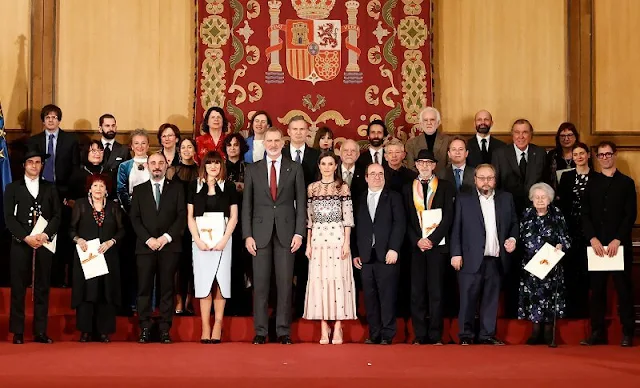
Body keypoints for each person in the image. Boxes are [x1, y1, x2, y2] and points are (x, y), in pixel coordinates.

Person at [242, 127, 306, 345]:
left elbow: (301, 203)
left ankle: (282, 331)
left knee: (285, 285)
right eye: (269, 140)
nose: (273, 144)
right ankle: (260, 331)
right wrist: (247, 235)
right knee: (259, 285)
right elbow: (247, 205)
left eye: (277, 140)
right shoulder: (252, 169)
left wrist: (299, 232)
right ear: (264, 143)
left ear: (283, 142)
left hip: (287, 234)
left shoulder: (295, 168)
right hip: (259, 234)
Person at [451, 164, 518, 345]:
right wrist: (455, 253)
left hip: (495, 259)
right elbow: (456, 228)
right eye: (482, 178)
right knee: (467, 299)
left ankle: (487, 335)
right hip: (469, 258)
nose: (486, 182)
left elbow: (513, 223)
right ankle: (465, 335)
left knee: (491, 299)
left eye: (489, 178)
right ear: (475, 180)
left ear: (495, 180)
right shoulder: (464, 200)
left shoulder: (506, 198)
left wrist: (512, 238)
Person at [581, 141, 636, 347]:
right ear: (596, 158)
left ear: (615, 155)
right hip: (596, 246)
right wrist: (592, 239)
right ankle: (597, 332)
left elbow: (630, 215)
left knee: (624, 290)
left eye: (608, 154)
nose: (605, 158)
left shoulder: (627, 183)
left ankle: (628, 332)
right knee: (597, 291)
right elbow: (584, 215)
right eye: (601, 155)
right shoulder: (591, 183)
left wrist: (617, 239)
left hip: (618, 245)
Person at [4, 148, 61, 344]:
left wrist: (45, 235)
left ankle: (40, 331)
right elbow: (9, 218)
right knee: (19, 288)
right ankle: (18, 331)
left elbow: (57, 215)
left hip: (44, 244)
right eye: (30, 162)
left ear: (41, 165)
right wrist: (25, 237)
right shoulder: (13, 188)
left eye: (37, 162)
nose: (34, 166)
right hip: (21, 244)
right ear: (24, 165)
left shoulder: (50, 187)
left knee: (42, 287)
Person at [491, 118, 546, 318]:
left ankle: (534, 312)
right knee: (510, 263)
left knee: (533, 264)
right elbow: (494, 185)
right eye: (517, 132)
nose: (521, 136)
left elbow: (547, 185)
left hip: (535, 218)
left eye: (525, 132)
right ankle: (511, 311)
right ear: (511, 134)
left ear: (531, 134)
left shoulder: (540, 153)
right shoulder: (500, 154)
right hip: (507, 216)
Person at [130, 153, 186, 344]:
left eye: (160, 163)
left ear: (167, 165)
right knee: (144, 288)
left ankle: (164, 329)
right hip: (145, 247)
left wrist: (165, 237)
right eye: (153, 163)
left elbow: (181, 216)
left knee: (167, 289)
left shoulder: (177, 189)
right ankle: (144, 327)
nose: (157, 166)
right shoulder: (138, 190)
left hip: (169, 246)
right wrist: (148, 239)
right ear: (147, 165)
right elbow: (134, 219)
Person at [303, 152, 356, 344]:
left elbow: (348, 218)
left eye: (330, 164)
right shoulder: (312, 188)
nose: (326, 167)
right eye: (323, 163)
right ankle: (324, 327)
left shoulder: (343, 187)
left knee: (338, 282)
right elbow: (309, 219)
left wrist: (347, 243)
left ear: (336, 166)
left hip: (337, 238)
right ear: (319, 166)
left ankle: (339, 327)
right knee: (320, 283)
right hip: (318, 239)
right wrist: (308, 243)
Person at [403, 149, 455, 345]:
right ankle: (419, 335)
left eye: (428, 163)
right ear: (415, 165)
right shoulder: (408, 188)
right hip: (416, 248)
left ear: (434, 165)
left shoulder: (446, 187)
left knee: (436, 292)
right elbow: (405, 219)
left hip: (437, 247)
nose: (424, 166)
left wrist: (431, 239)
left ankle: (435, 335)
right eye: (421, 162)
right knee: (417, 293)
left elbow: (449, 217)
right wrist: (417, 239)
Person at [188, 151, 238, 343]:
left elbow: (233, 216)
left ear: (221, 166)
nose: (213, 167)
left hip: (223, 239)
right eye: (210, 163)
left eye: (217, 163)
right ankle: (205, 326)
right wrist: (198, 239)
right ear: (204, 166)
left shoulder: (229, 186)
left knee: (220, 281)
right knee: (204, 282)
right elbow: (190, 216)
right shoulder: (194, 185)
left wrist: (225, 239)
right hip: (200, 241)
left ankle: (218, 324)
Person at [352, 163, 405, 344]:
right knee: (370, 298)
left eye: (380, 173)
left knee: (387, 297)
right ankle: (374, 334)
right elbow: (356, 227)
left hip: (387, 255)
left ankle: (387, 334)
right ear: (366, 177)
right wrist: (356, 253)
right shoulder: (359, 198)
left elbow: (400, 224)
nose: (376, 177)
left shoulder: (394, 197)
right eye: (372, 173)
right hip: (366, 257)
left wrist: (394, 249)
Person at [27, 104, 80, 287]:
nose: (51, 120)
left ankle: (59, 279)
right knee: (41, 233)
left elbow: (75, 168)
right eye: (48, 117)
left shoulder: (70, 140)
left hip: (63, 194)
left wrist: (70, 195)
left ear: (59, 120)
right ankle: (40, 278)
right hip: (40, 193)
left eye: (54, 117)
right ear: (43, 120)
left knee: (61, 236)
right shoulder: (34, 141)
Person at [70, 174, 124, 343]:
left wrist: (111, 241)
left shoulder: (114, 207)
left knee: (105, 292)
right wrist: (78, 240)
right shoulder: (81, 205)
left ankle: (103, 331)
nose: (98, 189)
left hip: (108, 255)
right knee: (87, 292)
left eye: (101, 186)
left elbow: (122, 230)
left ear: (107, 190)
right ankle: (85, 331)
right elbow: (71, 229)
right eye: (95, 186)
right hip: (87, 256)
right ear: (89, 188)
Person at [518, 183, 571, 345]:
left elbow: (566, 238)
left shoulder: (557, 215)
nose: (540, 200)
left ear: (550, 199)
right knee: (534, 298)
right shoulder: (526, 214)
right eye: (537, 197)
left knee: (550, 298)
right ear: (531, 199)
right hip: (531, 266)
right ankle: (535, 332)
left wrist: (561, 245)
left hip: (551, 266)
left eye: (543, 197)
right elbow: (518, 235)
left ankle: (549, 332)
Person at [281, 116, 320, 318]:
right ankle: (282, 308)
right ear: (288, 131)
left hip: (309, 216)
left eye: (302, 129)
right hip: (283, 216)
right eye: (294, 129)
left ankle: (302, 307)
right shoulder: (280, 154)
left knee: (304, 262)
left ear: (307, 132)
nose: (298, 132)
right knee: (284, 263)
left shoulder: (316, 155)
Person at [556, 142, 593, 318]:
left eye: (582, 153)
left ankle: (585, 309)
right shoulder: (566, 177)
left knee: (586, 270)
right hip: (570, 229)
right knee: (570, 269)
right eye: (575, 154)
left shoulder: (597, 177)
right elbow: (562, 204)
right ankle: (571, 309)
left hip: (590, 231)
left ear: (588, 155)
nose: (578, 157)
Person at [167, 138, 199, 316]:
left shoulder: (201, 170)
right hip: (177, 223)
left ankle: (189, 300)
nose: (187, 150)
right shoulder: (172, 171)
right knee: (178, 264)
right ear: (179, 150)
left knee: (192, 262)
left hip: (196, 223)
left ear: (195, 150)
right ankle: (178, 300)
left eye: (190, 147)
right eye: (183, 147)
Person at [224, 133, 252, 315]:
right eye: (229, 145)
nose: (233, 148)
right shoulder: (219, 167)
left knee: (244, 263)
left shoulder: (250, 168)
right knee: (227, 263)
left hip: (245, 219)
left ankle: (243, 305)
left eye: (236, 145)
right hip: (224, 221)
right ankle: (225, 305)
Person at [405, 107, 452, 176]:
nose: (429, 123)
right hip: (419, 182)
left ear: (438, 122)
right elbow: (411, 166)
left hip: (443, 181)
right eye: (425, 120)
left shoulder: (448, 141)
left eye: (432, 120)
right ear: (421, 123)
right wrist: (424, 178)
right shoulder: (411, 143)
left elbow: (450, 164)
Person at [116, 129, 150, 213]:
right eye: (136, 143)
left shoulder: (155, 163)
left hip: (152, 207)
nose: (140, 146)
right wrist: (130, 209)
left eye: (143, 143)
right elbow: (121, 190)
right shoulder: (124, 166)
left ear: (148, 146)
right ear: (131, 146)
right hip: (132, 207)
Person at [544, 122, 579, 190]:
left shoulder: (582, 153)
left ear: (575, 137)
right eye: (563, 136)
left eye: (570, 135)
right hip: (556, 195)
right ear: (558, 138)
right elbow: (546, 178)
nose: (566, 139)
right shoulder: (552, 155)